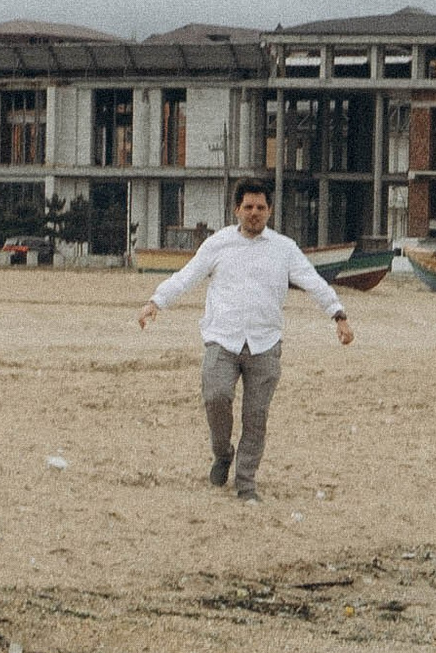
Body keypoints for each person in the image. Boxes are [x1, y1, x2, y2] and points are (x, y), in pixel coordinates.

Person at [138, 182, 353, 495]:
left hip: (265, 344)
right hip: (222, 339)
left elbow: (312, 281)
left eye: (261, 208)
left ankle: (246, 483)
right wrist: (156, 302)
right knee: (216, 397)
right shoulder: (218, 244)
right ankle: (223, 453)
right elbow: (187, 276)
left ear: (269, 211)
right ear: (236, 209)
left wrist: (339, 315)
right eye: (249, 207)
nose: (254, 213)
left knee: (255, 417)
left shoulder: (284, 248)